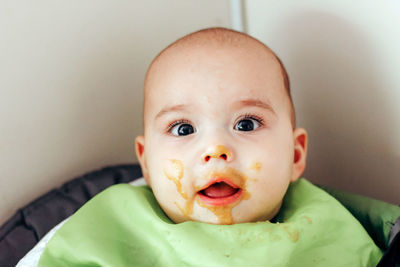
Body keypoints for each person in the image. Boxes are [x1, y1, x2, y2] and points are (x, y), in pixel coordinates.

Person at [25, 27, 383, 266]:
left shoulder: (328, 230)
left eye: (246, 124)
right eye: (183, 128)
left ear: (294, 155)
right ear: (146, 162)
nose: (215, 148)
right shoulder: (109, 228)